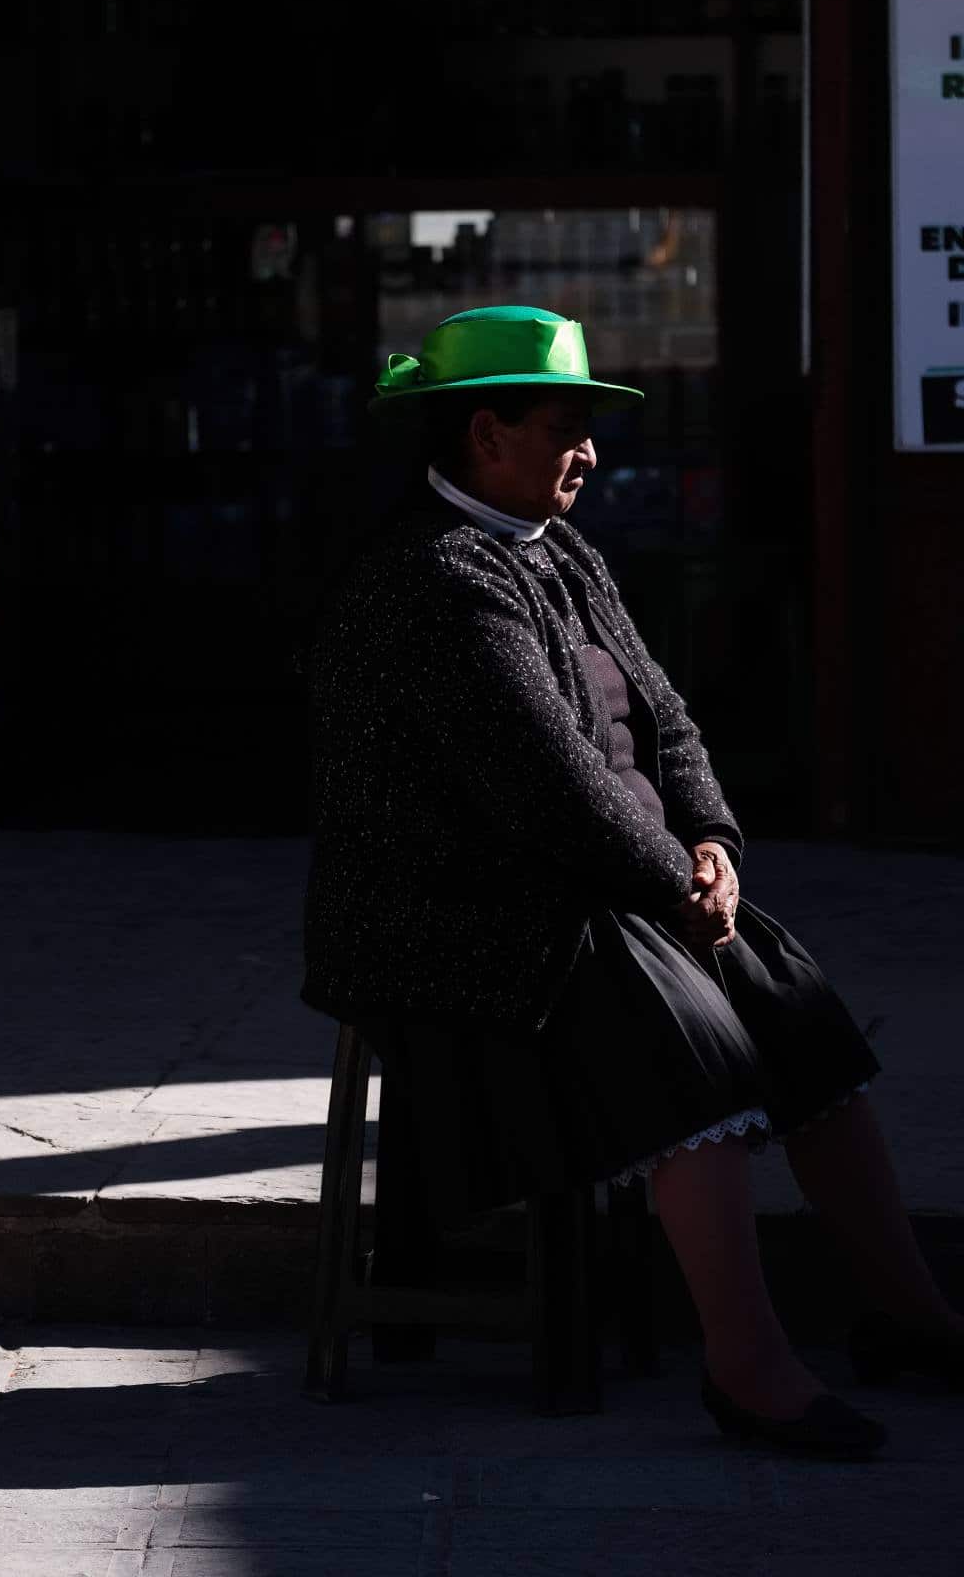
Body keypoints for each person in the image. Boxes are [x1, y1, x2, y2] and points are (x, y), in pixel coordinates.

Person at [299, 304, 964, 1458]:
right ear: (482, 433)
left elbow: (666, 719)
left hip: (604, 885)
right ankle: (747, 1366)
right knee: (689, 1044)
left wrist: (710, 844)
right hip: (452, 917)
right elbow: (550, 787)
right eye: (569, 425)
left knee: (801, 1019)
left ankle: (912, 1316)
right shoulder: (427, 581)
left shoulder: (563, 552)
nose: (592, 453)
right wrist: (670, 881)